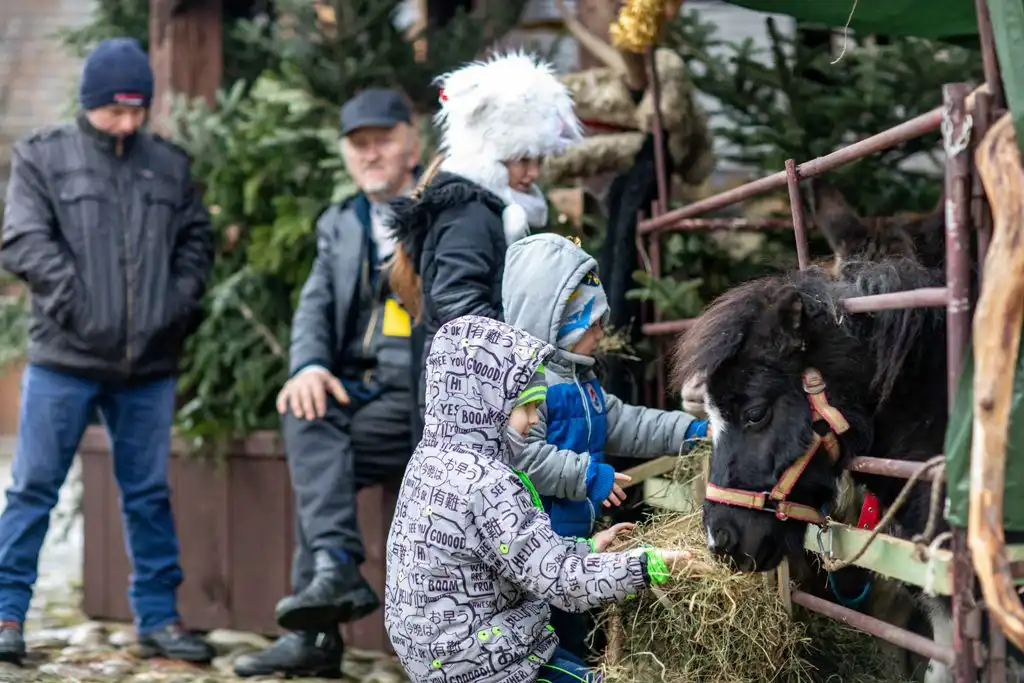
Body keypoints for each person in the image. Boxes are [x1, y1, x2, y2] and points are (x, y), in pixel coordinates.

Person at [0, 38, 215, 664]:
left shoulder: (169, 165)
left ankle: (158, 618)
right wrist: (77, 303)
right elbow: (22, 240)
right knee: (33, 488)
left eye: (136, 111)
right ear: (88, 103)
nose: (125, 123)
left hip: (147, 367)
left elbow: (196, 238)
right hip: (62, 361)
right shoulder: (43, 158)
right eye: (113, 111)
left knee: (147, 492)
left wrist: (174, 304)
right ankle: (8, 614)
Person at [384, 314, 690, 683]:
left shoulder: (429, 462)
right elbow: (562, 583)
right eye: (525, 408)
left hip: (443, 661)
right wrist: (649, 565)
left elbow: (517, 554)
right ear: (489, 403)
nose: (532, 421)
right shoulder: (488, 483)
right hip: (497, 665)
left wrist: (587, 549)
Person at [233, 87, 422, 679]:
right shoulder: (340, 222)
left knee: (319, 460)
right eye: (358, 145)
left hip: (417, 394)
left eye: (383, 140)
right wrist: (308, 366)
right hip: (356, 389)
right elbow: (313, 306)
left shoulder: (441, 211)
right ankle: (335, 573)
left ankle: (318, 632)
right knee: (305, 410)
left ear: (411, 140)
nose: (370, 154)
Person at [501, 232, 709, 658]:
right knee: (548, 641)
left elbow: (626, 422)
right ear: (556, 320)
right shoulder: (528, 385)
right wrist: (587, 475)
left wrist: (691, 431)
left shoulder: (584, 382)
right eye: (590, 321)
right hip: (537, 550)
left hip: (574, 542)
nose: (601, 331)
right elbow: (523, 457)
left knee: (574, 635)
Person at [387, 50, 583, 445]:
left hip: (476, 385)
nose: (533, 172)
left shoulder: (488, 208)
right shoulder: (470, 212)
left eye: (538, 158)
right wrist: (523, 352)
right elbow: (456, 298)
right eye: (520, 158)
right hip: (468, 393)